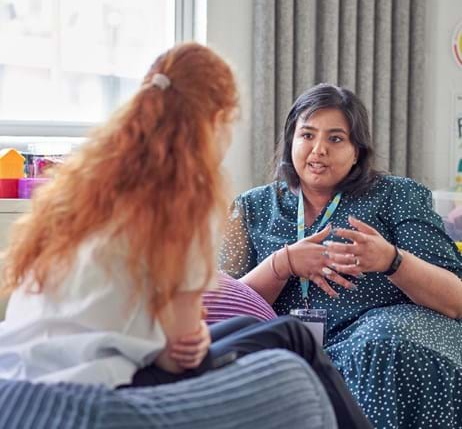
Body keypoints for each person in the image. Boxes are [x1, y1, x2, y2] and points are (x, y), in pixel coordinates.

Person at [0, 45, 371, 428]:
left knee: (259, 329)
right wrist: (186, 337)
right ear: (217, 121)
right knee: (294, 337)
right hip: (88, 393)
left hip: (15, 381)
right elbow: (178, 356)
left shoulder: (80, 187)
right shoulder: (181, 205)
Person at [219, 83, 462, 429]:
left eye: (335, 139)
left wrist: (392, 261)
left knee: (380, 345)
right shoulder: (251, 207)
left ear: (357, 151)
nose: (318, 150)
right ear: (291, 140)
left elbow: (456, 299)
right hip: (292, 350)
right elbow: (223, 308)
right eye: (307, 135)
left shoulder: (397, 196)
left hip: (382, 350)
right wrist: (281, 264)